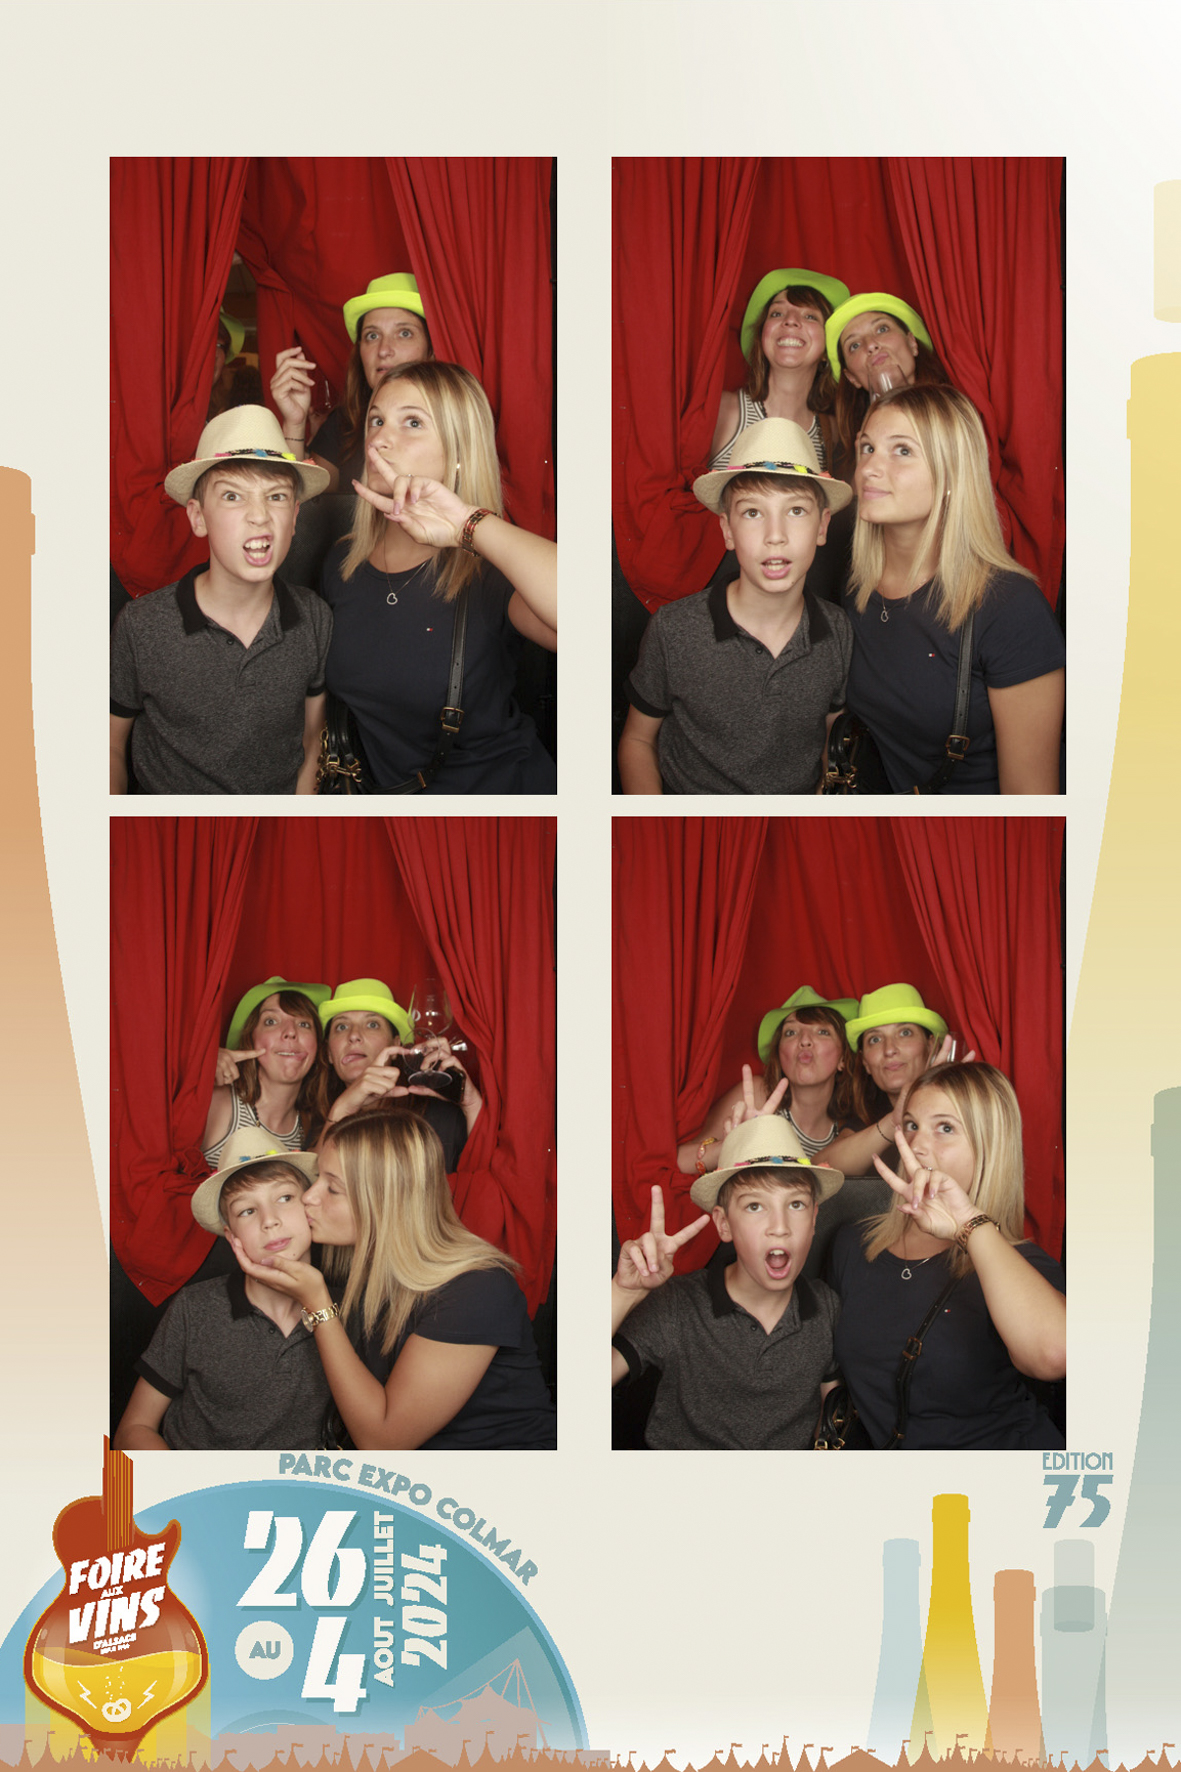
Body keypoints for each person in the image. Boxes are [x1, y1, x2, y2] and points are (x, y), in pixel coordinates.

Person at [229, 1110, 556, 1451]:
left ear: (386, 1201)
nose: (308, 1196)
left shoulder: (476, 1289)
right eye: (316, 1178)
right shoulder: (366, 1274)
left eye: (333, 1188)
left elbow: (383, 1441)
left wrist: (318, 1305)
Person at [321, 361, 557, 793]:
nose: (380, 439)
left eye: (412, 422)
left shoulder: (490, 570)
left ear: (459, 451)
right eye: (377, 420)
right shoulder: (343, 562)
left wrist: (468, 525)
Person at [827, 1062, 1065, 1449]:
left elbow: (1053, 1356)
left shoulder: (1020, 1265)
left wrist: (969, 1225)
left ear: (989, 1148)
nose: (917, 1145)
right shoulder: (854, 1244)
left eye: (946, 1128)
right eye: (911, 1125)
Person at [843, 383, 1065, 794]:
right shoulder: (856, 587)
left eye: (902, 450)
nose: (870, 467)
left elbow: (1030, 800)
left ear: (951, 473)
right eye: (867, 448)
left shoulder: (1010, 608)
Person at [618, 418, 853, 795]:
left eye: (795, 510)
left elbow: (832, 738)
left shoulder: (838, 630)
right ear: (727, 530)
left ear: (822, 526)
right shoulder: (674, 629)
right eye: (753, 513)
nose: (775, 536)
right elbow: (637, 740)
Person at [110, 406, 332, 795]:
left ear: (295, 516)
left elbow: (312, 740)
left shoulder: (314, 617)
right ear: (198, 517)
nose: (259, 516)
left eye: (276, 496)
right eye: (232, 496)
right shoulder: (141, 625)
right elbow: (110, 744)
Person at [610, 1117, 844, 1449]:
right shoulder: (678, 1304)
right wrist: (622, 1292)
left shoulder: (826, 1307)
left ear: (814, 1219)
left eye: (795, 1204)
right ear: (724, 1224)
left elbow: (831, 1416)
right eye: (754, 1206)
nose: (780, 1227)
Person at [113, 1128, 332, 1451]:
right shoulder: (195, 1309)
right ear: (232, 1236)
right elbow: (134, 1428)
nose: (269, 1220)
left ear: (310, 1206)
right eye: (247, 1210)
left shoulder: (345, 1309)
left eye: (284, 1198)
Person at [271, 272, 432, 494]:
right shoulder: (344, 423)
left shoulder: (458, 417)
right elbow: (302, 500)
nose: (384, 350)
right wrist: (294, 423)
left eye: (404, 333)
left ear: (431, 349)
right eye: (372, 336)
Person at [679, 986, 859, 1176]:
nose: (805, 1040)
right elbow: (679, 1160)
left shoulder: (849, 1128)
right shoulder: (756, 1096)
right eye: (791, 1032)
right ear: (779, 1055)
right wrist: (731, 1145)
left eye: (822, 1032)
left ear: (843, 1059)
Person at [311, 978, 475, 1173]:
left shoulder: (436, 1117)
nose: (353, 1035)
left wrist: (471, 1103)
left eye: (372, 1024)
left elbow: (481, 1175)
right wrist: (342, 1108)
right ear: (329, 1053)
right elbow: (311, 1184)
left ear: (396, 1045)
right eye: (341, 1027)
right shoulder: (319, 1122)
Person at [710, 269, 849, 471]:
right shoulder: (722, 410)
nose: (790, 320)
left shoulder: (832, 434)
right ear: (761, 337)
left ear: (827, 350)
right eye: (777, 313)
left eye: (810, 316)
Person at [825, 985, 962, 1177]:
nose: (889, 1049)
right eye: (875, 1039)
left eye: (905, 1033)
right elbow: (822, 1166)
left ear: (931, 1045)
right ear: (865, 1062)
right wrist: (894, 1121)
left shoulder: (962, 1105)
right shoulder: (868, 1117)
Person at [203, 976, 329, 1166]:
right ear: (251, 1038)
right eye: (271, 1021)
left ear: (318, 1046)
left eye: (303, 1024)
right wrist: (198, 1071)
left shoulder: (311, 1125)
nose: (290, 1032)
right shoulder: (219, 1103)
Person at [825, 292, 950, 479]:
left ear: (912, 343)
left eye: (882, 329)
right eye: (854, 345)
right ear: (852, 378)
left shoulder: (955, 414)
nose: (871, 345)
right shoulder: (852, 453)